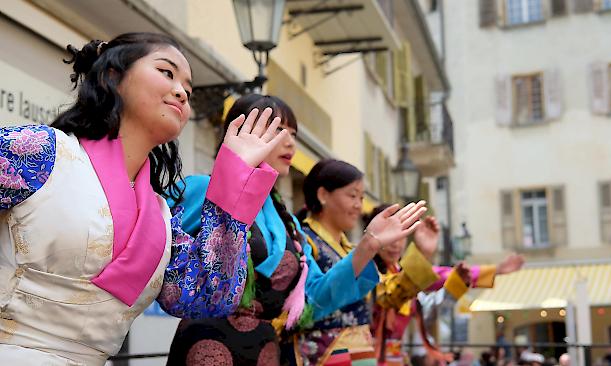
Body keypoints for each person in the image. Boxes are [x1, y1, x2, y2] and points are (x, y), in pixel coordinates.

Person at [0, 33, 286, 365]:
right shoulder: (41, 151)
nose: (181, 91)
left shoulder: (162, 219)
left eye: (189, 90)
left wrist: (232, 183)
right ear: (112, 76)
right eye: (167, 72)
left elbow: (208, 298)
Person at [164, 94, 427, 365]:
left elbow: (312, 300)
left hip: (267, 351)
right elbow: (161, 256)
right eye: (278, 130)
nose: (289, 142)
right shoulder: (202, 189)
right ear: (242, 131)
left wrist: (369, 244)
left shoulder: (288, 223)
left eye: (293, 134)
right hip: (206, 347)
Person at [293, 160, 435, 365]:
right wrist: (368, 246)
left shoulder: (350, 249)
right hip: (324, 354)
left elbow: (386, 298)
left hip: (360, 352)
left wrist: (421, 253)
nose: (359, 205)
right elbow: (312, 302)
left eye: (361, 197)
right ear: (323, 195)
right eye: (352, 196)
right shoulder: (303, 241)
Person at [365, 204, 525, 366]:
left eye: (402, 235)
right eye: (390, 236)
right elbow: (394, 294)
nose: (395, 244)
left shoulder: (401, 273)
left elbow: (432, 303)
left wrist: (490, 272)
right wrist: (422, 255)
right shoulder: (365, 272)